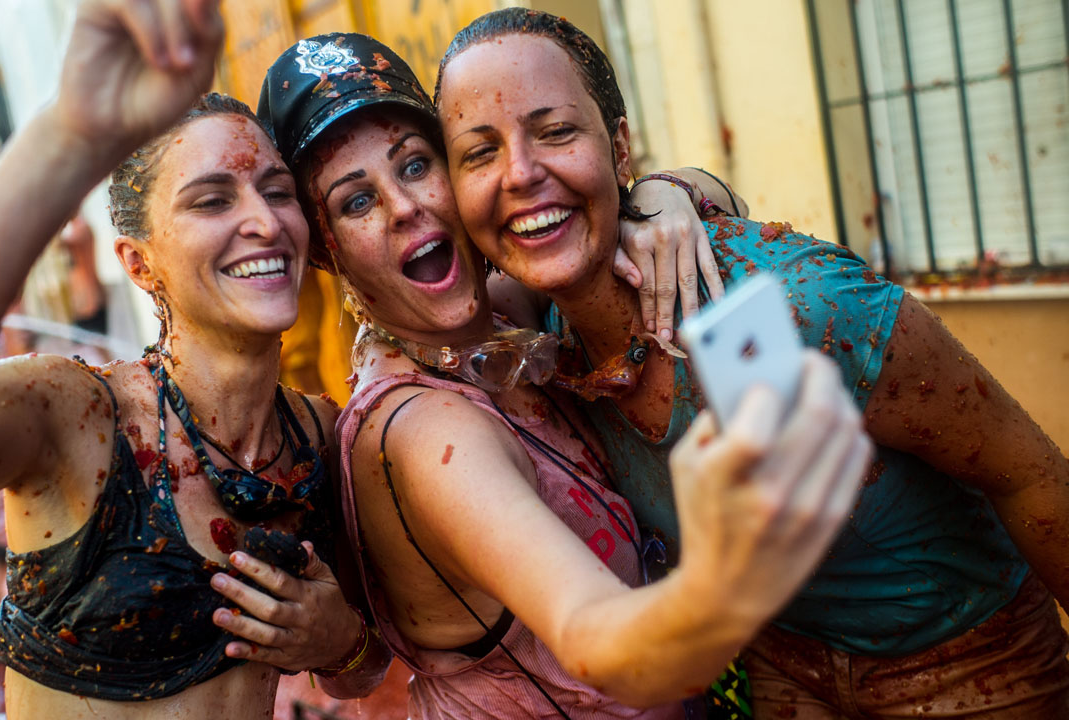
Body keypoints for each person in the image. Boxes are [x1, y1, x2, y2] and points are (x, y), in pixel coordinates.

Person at [212, 32, 872, 718]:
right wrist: (723, 566)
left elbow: (718, 196)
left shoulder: (505, 318)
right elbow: (596, 638)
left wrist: (663, 197)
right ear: (327, 254)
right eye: (356, 202)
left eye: (415, 165)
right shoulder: (424, 435)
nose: (404, 207)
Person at [434, 8, 1069, 717]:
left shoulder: (803, 305)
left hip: (969, 661)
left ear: (619, 150)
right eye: (479, 153)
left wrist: (671, 188)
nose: (521, 173)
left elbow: (1031, 474)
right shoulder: (540, 345)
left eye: (555, 132)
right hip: (784, 667)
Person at [0, 1, 388, 717]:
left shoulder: (319, 439)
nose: (264, 221)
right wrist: (68, 133)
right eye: (211, 201)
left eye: (277, 192)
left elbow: (359, 673)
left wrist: (342, 643)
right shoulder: (78, 419)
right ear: (139, 263)